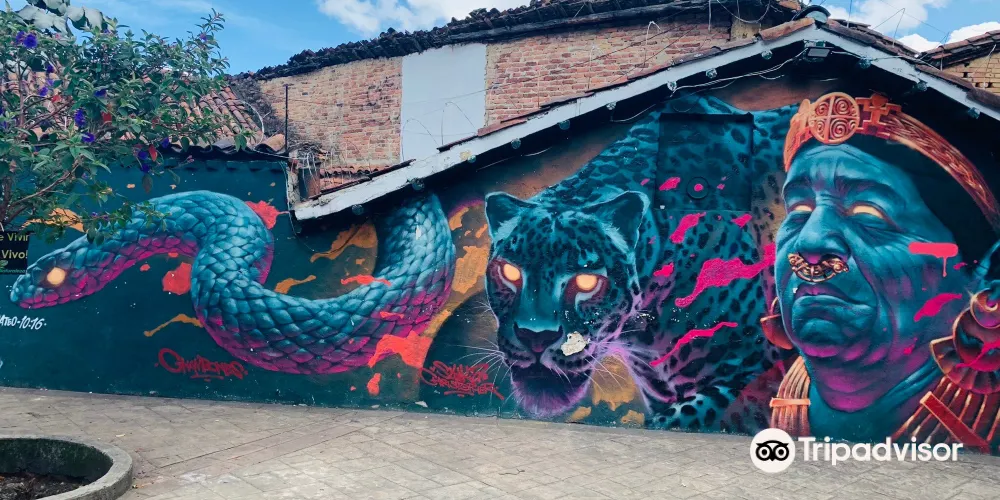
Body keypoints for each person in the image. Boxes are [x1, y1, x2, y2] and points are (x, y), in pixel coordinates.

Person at [764, 92, 1000, 453]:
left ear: (982, 272)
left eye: (869, 212)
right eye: (799, 210)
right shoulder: (747, 404)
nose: (809, 241)